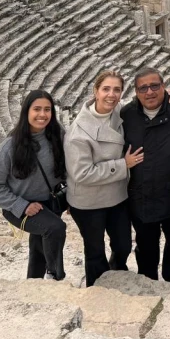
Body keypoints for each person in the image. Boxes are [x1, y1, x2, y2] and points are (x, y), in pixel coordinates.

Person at [121, 66, 170, 282]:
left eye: (155, 86)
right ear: (136, 92)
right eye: (143, 88)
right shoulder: (126, 115)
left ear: (164, 87)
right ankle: (148, 283)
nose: (149, 92)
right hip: (141, 195)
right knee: (146, 244)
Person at [65, 70, 143, 287]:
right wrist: (122, 165)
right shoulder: (78, 133)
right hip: (89, 202)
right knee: (95, 251)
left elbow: (145, 100)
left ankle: (117, 275)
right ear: (95, 91)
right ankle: (97, 289)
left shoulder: (118, 111)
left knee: (123, 245)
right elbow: (82, 173)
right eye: (106, 89)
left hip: (116, 196)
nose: (112, 94)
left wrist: (168, 93)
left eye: (117, 89)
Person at [0, 90, 68, 281]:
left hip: (50, 202)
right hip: (20, 207)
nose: (42, 114)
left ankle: (34, 282)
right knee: (55, 228)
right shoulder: (11, 146)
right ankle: (55, 275)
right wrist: (22, 206)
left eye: (47, 109)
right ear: (26, 112)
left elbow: (66, 168)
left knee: (40, 243)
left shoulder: (57, 134)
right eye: (37, 109)